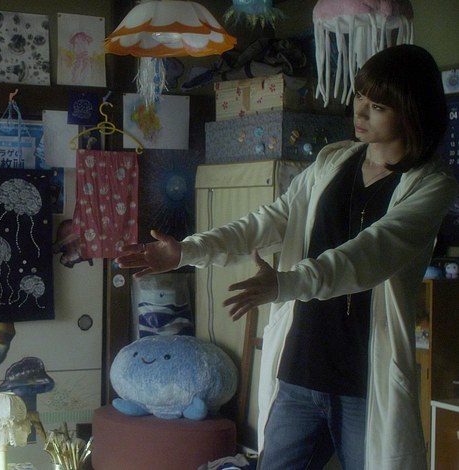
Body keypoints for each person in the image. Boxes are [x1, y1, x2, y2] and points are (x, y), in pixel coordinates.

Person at [116, 44, 457, 469]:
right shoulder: (334, 160)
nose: (360, 112)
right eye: (359, 97)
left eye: (378, 106)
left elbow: (372, 253)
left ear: (410, 112)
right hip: (301, 370)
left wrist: (286, 283)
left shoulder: (430, 184)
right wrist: (188, 250)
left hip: (365, 382)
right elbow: (269, 221)